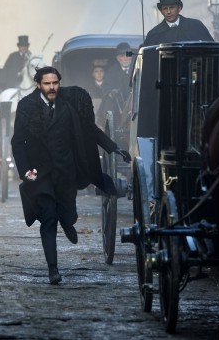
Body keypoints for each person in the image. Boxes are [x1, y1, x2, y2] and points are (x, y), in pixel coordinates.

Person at [10, 66, 130, 285]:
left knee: (68, 213)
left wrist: (113, 148)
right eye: (47, 84)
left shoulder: (71, 103)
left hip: (66, 172)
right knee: (48, 217)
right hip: (40, 173)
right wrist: (25, 170)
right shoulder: (26, 107)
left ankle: (67, 221)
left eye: (55, 83)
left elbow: (91, 130)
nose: (52, 87)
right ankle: (53, 269)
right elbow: (17, 142)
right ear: (38, 85)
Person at [143, 0, 214, 46]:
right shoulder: (153, 35)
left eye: (172, 7)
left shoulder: (196, 27)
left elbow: (212, 50)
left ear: (179, 8)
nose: (168, 12)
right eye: (165, 8)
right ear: (161, 11)